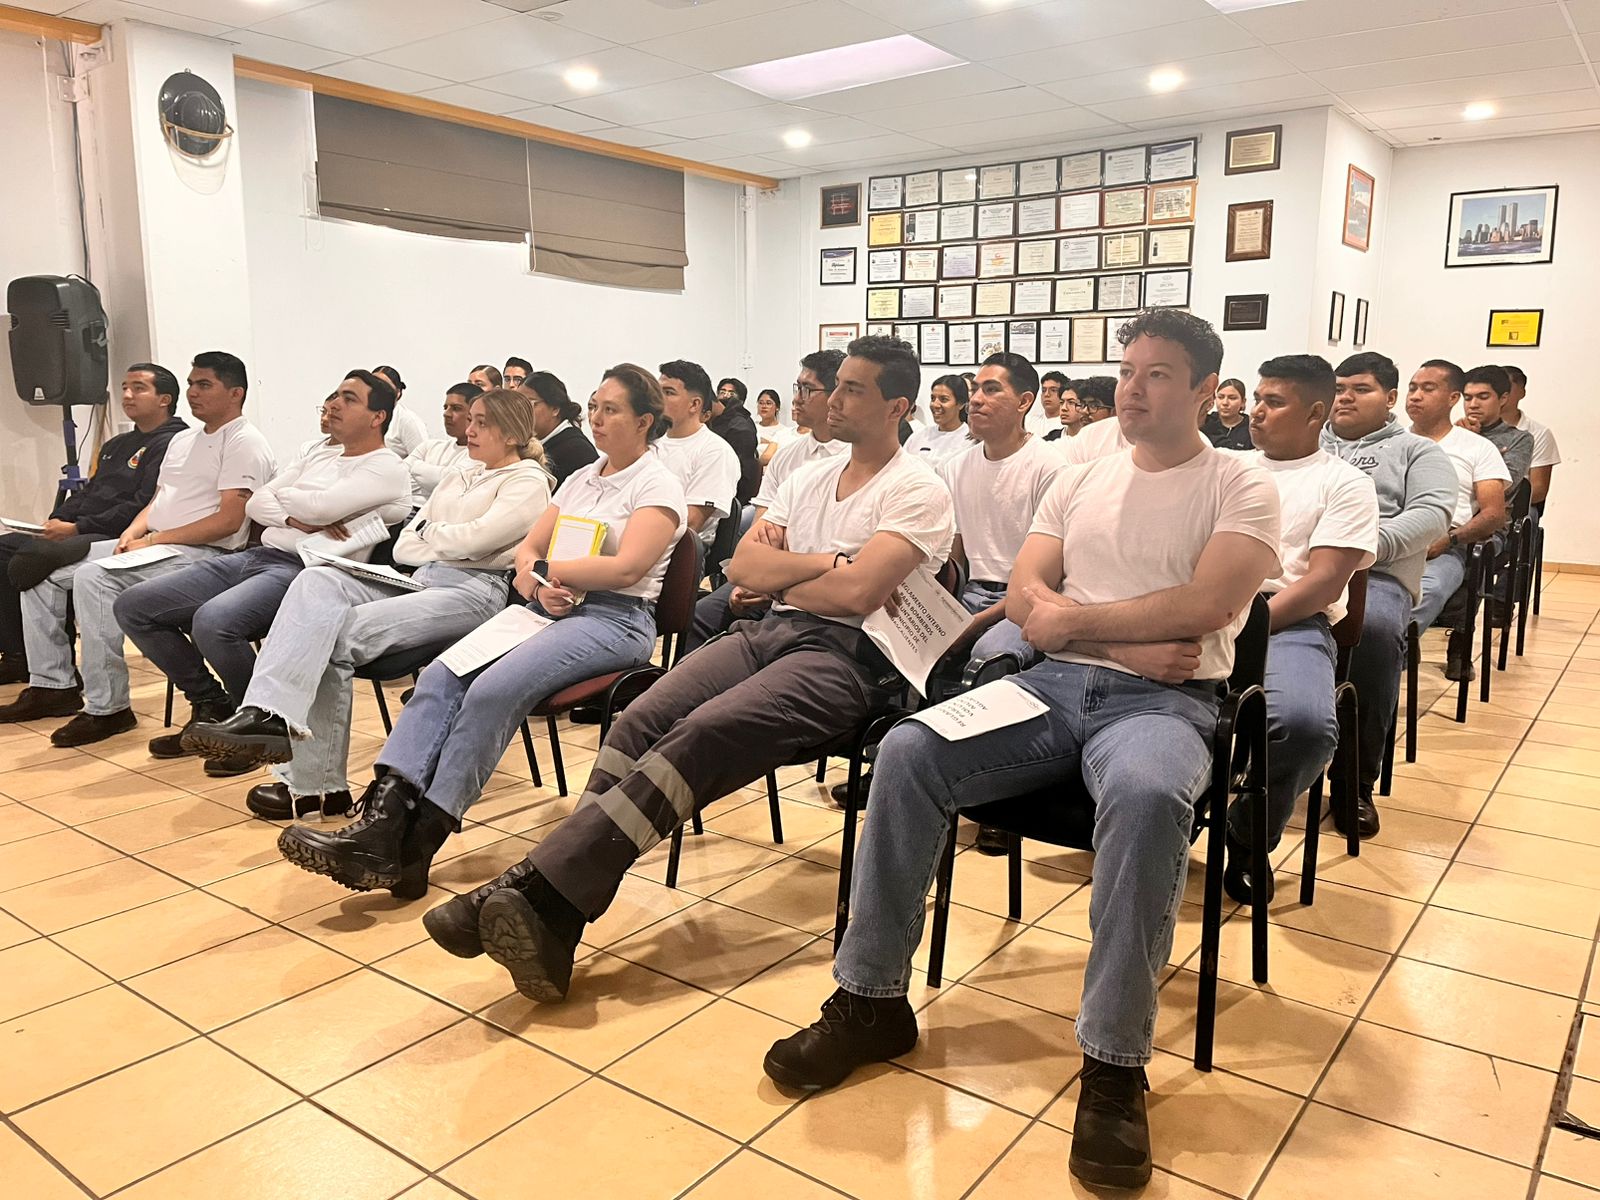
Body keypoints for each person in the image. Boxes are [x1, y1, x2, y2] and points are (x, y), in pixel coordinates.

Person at [764, 311, 1280, 1194]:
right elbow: (1026, 595)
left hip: (1164, 702)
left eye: (1159, 375)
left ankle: (1114, 1064)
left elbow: (1203, 607)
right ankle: (871, 999)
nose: (1133, 388)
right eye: (1129, 369)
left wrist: (1072, 622)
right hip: (1049, 688)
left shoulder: (1239, 483)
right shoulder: (1081, 476)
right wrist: (1105, 635)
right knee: (909, 750)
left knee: (1153, 799)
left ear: (1203, 392)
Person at [418, 335, 953, 1007]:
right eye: (835, 384)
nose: (832, 397)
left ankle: (538, 891)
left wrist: (803, 577)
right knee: (642, 716)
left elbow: (858, 598)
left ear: (896, 406)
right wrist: (826, 566)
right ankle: (555, 904)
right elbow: (744, 572)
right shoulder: (807, 474)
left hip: (851, 661)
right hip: (771, 631)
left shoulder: (918, 487)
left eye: (852, 389)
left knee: (701, 732)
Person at [271, 365, 685, 900]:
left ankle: (416, 846)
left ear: (645, 421)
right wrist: (536, 583)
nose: (598, 419)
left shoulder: (658, 483)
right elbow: (528, 552)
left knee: (491, 690)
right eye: (595, 406)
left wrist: (550, 574)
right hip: (551, 606)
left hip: (615, 619)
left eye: (612, 410)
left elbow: (629, 568)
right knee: (442, 676)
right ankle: (383, 820)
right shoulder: (584, 478)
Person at [185, 388, 555, 821]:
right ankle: (266, 714)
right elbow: (407, 546)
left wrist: (436, 536)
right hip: (420, 580)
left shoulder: (528, 481)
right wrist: (444, 538)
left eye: (480, 422)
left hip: (473, 592)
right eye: (468, 419)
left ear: (510, 433)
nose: (468, 430)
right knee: (317, 579)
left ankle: (311, 787)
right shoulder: (460, 474)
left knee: (330, 638)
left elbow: (474, 542)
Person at [110, 369, 411, 762]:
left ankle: (256, 727)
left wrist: (293, 502)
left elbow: (317, 507)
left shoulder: (385, 466)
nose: (334, 404)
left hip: (307, 570)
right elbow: (257, 503)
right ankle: (212, 703)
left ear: (378, 417)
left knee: (214, 622)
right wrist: (294, 515)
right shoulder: (320, 454)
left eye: (349, 399)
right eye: (335, 395)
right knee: (133, 605)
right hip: (257, 555)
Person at [0, 352, 277, 740]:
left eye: (204, 385)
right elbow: (158, 500)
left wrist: (153, 539)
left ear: (235, 393)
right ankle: (53, 684)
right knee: (37, 574)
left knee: (94, 579)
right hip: (155, 544)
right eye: (192, 383)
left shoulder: (245, 441)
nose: (193, 392)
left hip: (204, 553)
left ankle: (108, 707)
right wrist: (131, 534)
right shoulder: (184, 440)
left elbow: (229, 521)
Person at [1222, 357, 1378, 904]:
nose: (1255, 412)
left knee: (1307, 727)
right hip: (1208, 610)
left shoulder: (1345, 483)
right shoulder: (1225, 466)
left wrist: (1244, 626)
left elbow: (1322, 583)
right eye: (1256, 399)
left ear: (1316, 413)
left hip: (1286, 622)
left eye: (1273, 402)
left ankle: (1247, 833)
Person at [1321, 353, 1455, 838]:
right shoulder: (1308, 441)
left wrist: (1355, 550)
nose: (1345, 398)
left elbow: (1432, 515)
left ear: (1391, 398)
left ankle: (1353, 781)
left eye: (1361, 389)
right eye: (1339, 388)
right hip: (1295, 569)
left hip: (1373, 574)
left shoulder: (1418, 452)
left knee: (1373, 633)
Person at [0, 364, 187, 685]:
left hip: (123, 533)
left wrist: (76, 528)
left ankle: (59, 675)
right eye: (125, 387)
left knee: (34, 560)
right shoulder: (117, 445)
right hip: (88, 526)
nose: (127, 395)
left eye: (139, 388)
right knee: (4, 550)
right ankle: (18, 655)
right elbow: (91, 492)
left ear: (164, 400)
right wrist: (61, 517)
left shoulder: (175, 443)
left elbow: (143, 504)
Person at [683, 350, 848, 654]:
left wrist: (773, 583)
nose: (797, 398)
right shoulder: (789, 454)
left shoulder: (850, 459)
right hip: (767, 576)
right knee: (696, 619)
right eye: (797, 387)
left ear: (836, 395)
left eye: (807, 389)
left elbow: (833, 551)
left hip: (812, 585)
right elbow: (760, 532)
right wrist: (755, 578)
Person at [940, 354, 1061, 669]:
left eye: (991, 390)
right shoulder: (955, 467)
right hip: (971, 591)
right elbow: (955, 556)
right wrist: (944, 610)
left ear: (1023, 402)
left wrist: (977, 622)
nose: (976, 400)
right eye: (975, 390)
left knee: (990, 654)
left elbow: (1048, 578)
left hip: (1027, 599)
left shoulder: (1051, 467)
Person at [1404, 359, 1508, 679]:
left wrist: (1449, 539)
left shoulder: (1477, 447)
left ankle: (1388, 649)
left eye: (1427, 388)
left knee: (1428, 590)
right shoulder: (1391, 441)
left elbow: (1493, 513)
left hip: (1445, 544)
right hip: (1390, 536)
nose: (1416, 396)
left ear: (1452, 398)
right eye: (1412, 388)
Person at [657, 361, 740, 547]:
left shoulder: (715, 451)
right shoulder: (651, 445)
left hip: (679, 554)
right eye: (657, 391)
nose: (657, 399)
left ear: (694, 404)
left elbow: (691, 524)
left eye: (668, 393)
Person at [1459, 365, 1534, 496]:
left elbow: (1502, 489)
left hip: (1490, 513)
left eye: (1483, 397)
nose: (1473, 405)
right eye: (1467, 398)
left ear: (1503, 399)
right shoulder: (1452, 434)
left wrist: (1473, 443)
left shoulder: (1518, 439)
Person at [404, 382, 479, 509]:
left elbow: (447, 482)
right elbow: (400, 476)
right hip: (407, 509)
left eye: (456, 408)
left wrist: (415, 466)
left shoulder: (478, 455)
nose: (446, 414)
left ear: (474, 414)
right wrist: (429, 477)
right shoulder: (430, 446)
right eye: (446, 407)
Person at [521, 371, 598, 488]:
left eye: (529, 404)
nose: (521, 411)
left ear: (555, 408)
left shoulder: (577, 451)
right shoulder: (529, 444)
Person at [1498, 365, 1559, 511]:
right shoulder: (1470, 428)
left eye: (1506, 388)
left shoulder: (1538, 433)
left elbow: (1538, 490)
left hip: (1513, 505)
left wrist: (1492, 500)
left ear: (1522, 392)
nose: (1501, 394)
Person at [710, 376, 762, 505]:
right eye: (722, 392)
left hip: (730, 498)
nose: (725, 396)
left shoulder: (740, 427)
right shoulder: (713, 422)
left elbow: (742, 474)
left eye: (731, 393)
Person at [903, 375, 971, 464]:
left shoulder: (969, 440)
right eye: (933, 398)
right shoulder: (919, 436)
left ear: (961, 404)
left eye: (944, 399)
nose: (935, 404)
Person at [373, 365, 428, 460]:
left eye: (383, 386)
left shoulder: (408, 421)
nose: (377, 390)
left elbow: (423, 461)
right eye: (373, 385)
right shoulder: (361, 414)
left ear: (398, 392)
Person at [1202, 377, 1253, 451]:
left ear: (1243, 402)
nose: (1225, 403)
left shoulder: (1250, 428)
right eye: (1220, 397)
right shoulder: (1206, 422)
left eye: (1232, 398)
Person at [754, 388, 796, 465]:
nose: (764, 406)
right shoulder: (752, 426)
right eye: (761, 403)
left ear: (777, 407)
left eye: (768, 403)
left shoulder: (784, 431)